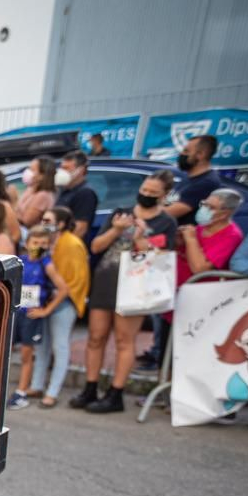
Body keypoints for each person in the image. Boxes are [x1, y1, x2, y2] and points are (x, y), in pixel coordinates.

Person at [70, 171, 178, 415]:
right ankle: (90, 387)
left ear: (164, 196)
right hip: (106, 280)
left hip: (136, 287)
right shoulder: (121, 213)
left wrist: (141, 238)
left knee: (123, 339)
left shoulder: (166, 222)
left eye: (153, 192)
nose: (146, 195)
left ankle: (115, 393)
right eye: (144, 190)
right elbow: (96, 246)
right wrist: (117, 229)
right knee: (96, 336)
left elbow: (161, 257)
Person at [8, 225, 74, 409]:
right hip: (17, 312)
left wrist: (46, 311)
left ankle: (21, 392)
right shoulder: (20, 261)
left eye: (43, 243)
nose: (38, 246)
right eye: (35, 242)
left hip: (31, 315)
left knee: (26, 354)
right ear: (27, 243)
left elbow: (64, 289)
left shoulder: (46, 264)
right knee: (6, 350)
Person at [31, 206, 90, 408]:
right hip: (46, 299)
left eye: (48, 221)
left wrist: (59, 295)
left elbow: (78, 279)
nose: (44, 224)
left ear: (61, 223)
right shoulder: (46, 242)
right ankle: (37, 385)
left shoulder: (72, 244)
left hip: (64, 301)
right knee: (42, 345)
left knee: (60, 346)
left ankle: (52, 392)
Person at [176, 186, 246, 285]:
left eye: (211, 208)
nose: (204, 209)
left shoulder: (231, 236)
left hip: (197, 289)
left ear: (224, 214)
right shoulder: (203, 226)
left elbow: (199, 269)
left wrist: (191, 239)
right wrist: (178, 241)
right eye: (204, 204)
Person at [167, 134, 221, 226]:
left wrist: (144, 212)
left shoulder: (206, 182)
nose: (181, 154)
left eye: (186, 151)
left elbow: (170, 213)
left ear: (200, 154)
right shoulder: (188, 177)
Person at [54, 150, 100, 241]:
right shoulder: (63, 190)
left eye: (66, 168)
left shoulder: (85, 193)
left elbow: (80, 229)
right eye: (61, 168)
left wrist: (62, 245)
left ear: (80, 170)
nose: (61, 172)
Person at [16, 156, 58, 228]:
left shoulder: (43, 195)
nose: (27, 172)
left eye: (32, 170)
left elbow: (27, 221)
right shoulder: (30, 189)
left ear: (42, 175)